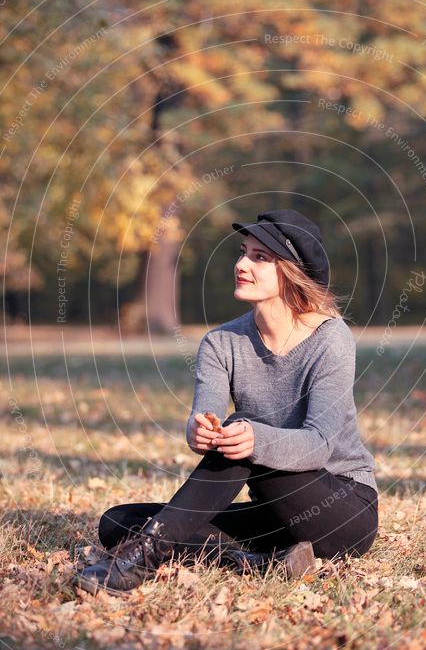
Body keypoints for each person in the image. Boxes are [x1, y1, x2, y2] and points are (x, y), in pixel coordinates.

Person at [77, 209, 378, 594]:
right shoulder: (220, 343)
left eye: (259, 257)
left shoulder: (330, 339)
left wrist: (254, 437)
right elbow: (208, 413)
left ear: (291, 271)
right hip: (272, 516)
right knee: (117, 522)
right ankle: (254, 562)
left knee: (243, 427)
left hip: (341, 509)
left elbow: (320, 444)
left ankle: (143, 558)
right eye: (242, 252)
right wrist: (199, 429)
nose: (241, 264)